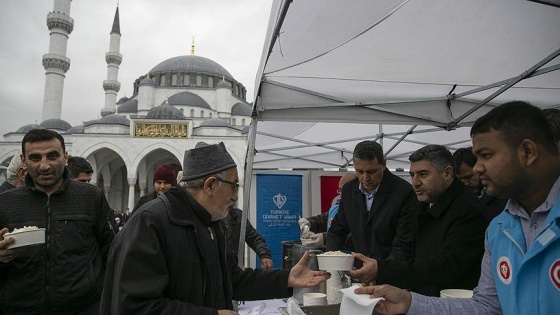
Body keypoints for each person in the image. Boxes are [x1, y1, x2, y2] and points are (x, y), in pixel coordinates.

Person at [354, 101, 560, 314]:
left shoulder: (475, 215)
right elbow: (486, 307)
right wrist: (408, 302)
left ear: (528, 152)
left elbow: (446, 266)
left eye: (487, 155)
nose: (478, 167)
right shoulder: (500, 228)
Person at [100, 142, 330, 314]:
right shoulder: (151, 222)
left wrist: (285, 278)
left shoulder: (210, 223)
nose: (235, 196)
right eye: (233, 186)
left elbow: (231, 279)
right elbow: (134, 306)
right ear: (210, 185)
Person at [348, 145, 489, 296]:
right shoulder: (423, 205)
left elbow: (446, 266)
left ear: (447, 173)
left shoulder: (468, 210)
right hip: (425, 300)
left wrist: (382, 270)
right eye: (412, 175)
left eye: (423, 174)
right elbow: (407, 249)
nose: (415, 182)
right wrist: (384, 275)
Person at [0, 129, 114, 314]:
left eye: (52, 156)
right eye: (35, 158)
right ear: (24, 161)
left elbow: (111, 251)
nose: (44, 165)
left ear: (65, 157)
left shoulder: (90, 197)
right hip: (21, 308)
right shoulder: (6, 202)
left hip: (84, 308)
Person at [327, 140, 417, 263]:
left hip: (391, 271)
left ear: (384, 164)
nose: (365, 178)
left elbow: (404, 243)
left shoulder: (404, 192)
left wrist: (379, 271)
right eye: (359, 171)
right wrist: (331, 260)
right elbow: (337, 229)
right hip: (359, 269)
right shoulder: (348, 190)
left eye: (371, 171)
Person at [298, 172, 357, 246]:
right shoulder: (336, 208)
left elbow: (357, 236)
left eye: (344, 190)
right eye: (339, 190)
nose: (341, 194)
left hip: (352, 255)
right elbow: (323, 219)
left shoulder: (363, 211)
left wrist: (325, 238)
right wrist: (309, 222)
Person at [453, 147, 507, 219]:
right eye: (460, 179)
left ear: (480, 169)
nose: (465, 183)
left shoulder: (502, 196)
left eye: (468, 177)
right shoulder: (459, 201)